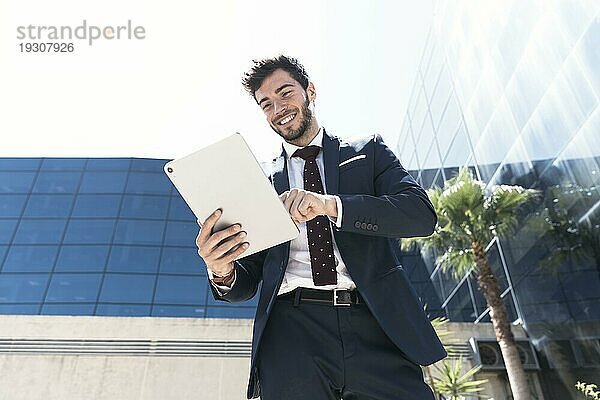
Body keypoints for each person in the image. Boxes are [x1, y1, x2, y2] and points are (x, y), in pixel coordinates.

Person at [195, 55, 446, 400]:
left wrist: (330, 205)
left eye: (285, 93)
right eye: (266, 104)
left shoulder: (367, 152)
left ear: (310, 91)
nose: (278, 108)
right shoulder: (259, 181)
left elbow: (419, 215)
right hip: (292, 331)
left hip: (375, 322)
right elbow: (248, 280)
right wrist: (221, 270)